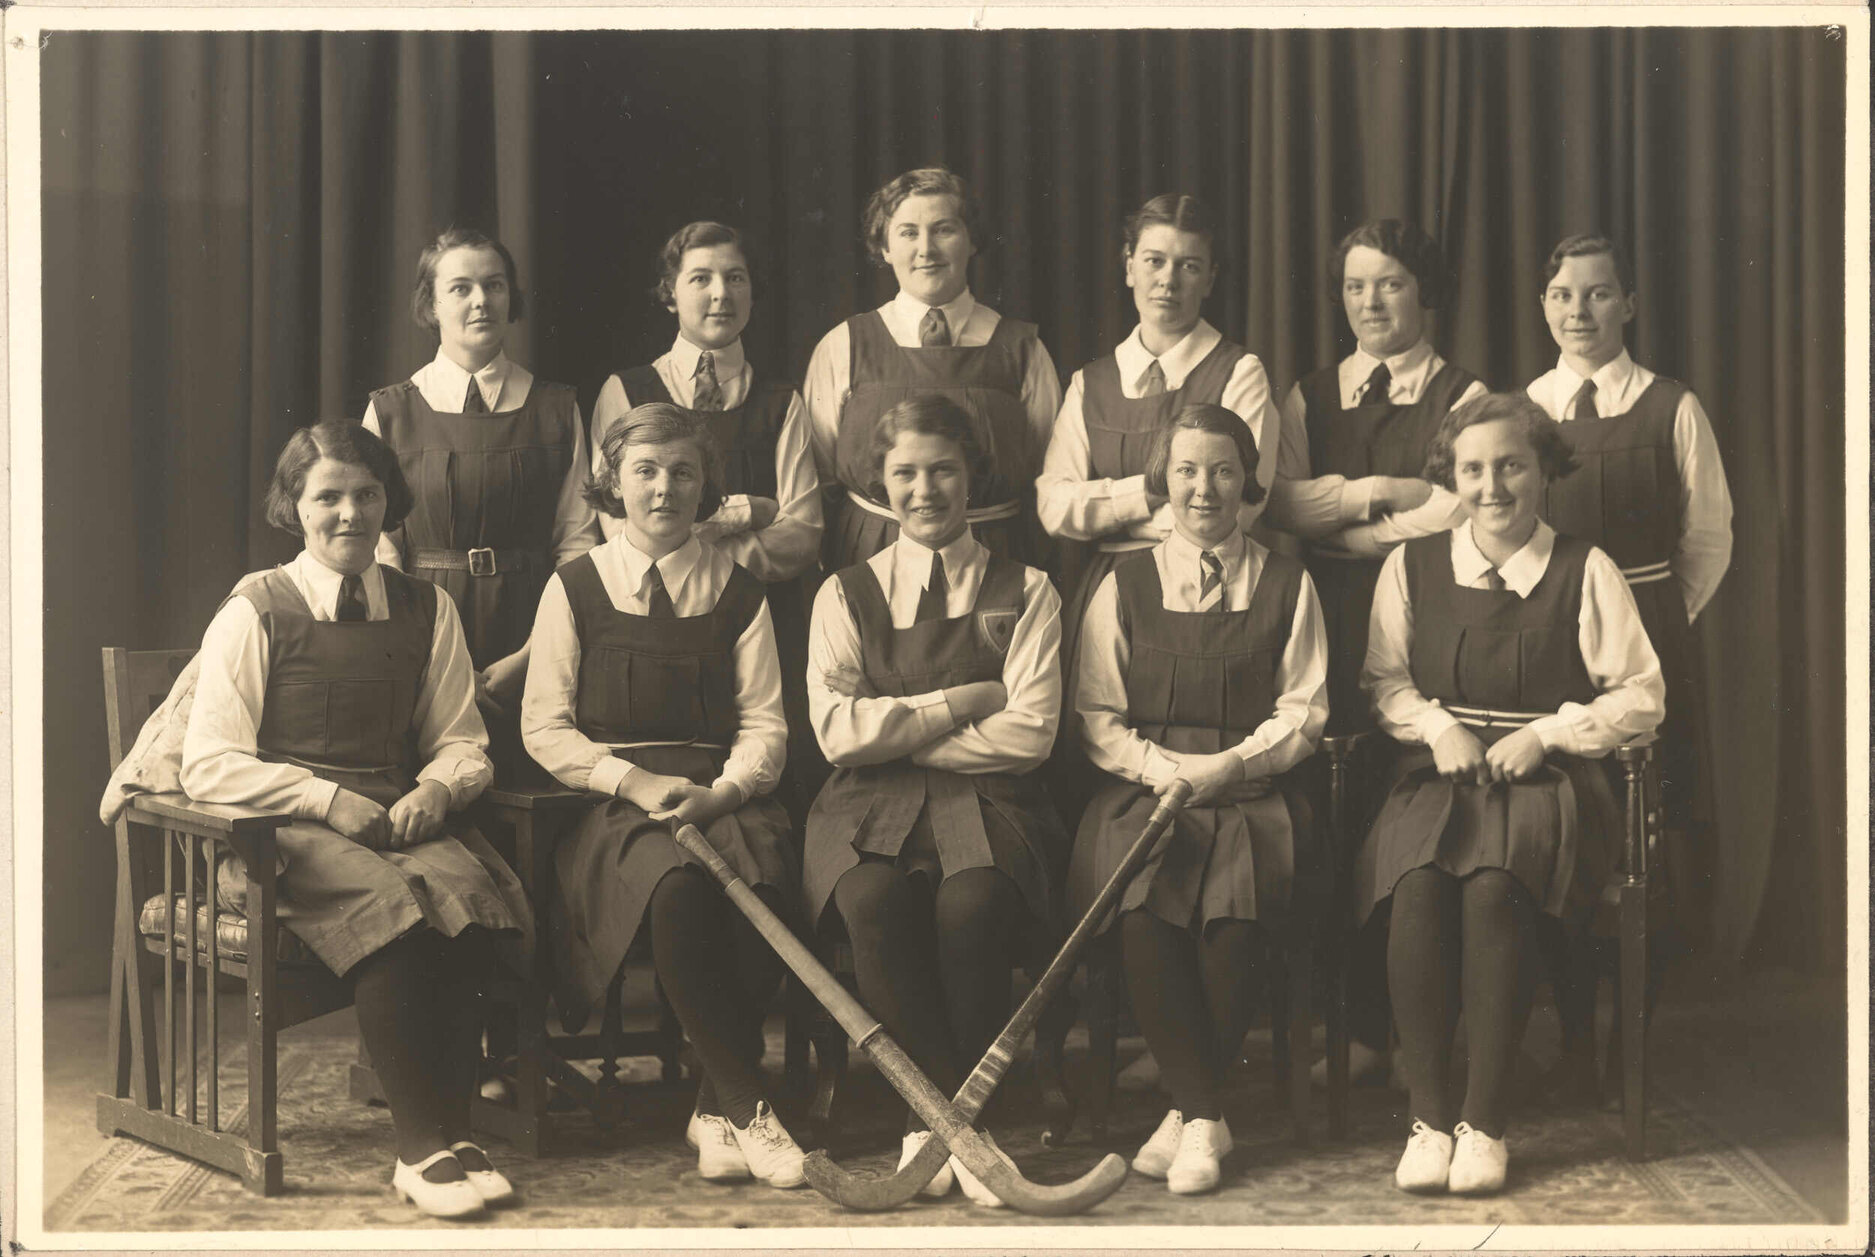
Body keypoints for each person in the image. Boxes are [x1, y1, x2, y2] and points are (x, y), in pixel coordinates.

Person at [181, 420, 531, 1220]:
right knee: (397, 914)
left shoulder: (425, 606)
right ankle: (418, 1147)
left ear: (389, 504)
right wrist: (320, 797)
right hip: (277, 832)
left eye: (366, 494)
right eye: (327, 496)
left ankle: (455, 1126)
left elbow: (461, 740)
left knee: (470, 901)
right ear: (292, 506)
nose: (349, 513)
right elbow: (208, 762)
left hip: (393, 818)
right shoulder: (256, 609)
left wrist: (437, 790)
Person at [1354, 392, 1664, 1196]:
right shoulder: (1412, 564)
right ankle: (1428, 1119)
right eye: (1472, 469)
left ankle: (1484, 1122)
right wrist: (1434, 726)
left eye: (1510, 466)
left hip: (1550, 784)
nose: (1491, 486)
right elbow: (1384, 680)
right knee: (1417, 886)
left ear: (1543, 470)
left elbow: (1641, 694)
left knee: (1494, 889)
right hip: (1441, 774)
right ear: (1449, 478)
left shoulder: (1583, 567)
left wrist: (1548, 734)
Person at [521, 404, 806, 1189]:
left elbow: (766, 725)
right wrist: (634, 782)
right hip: (615, 807)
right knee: (679, 887)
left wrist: (723, 792)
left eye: (683, 471)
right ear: (612, 480)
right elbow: (544, 729)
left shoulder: (739, 589)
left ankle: (712, 1107)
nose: (664, 488)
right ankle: (750, 1106)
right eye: (645, 470)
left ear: (706, 484)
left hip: (722, 797)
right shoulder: (575, 585)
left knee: (768, 892)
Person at [803, 395, 1067, 1207]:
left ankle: (953, 1117)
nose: (925, 489)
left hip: (992, 800)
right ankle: (942, 1119)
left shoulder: (1030, 589)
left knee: (973, 901)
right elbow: (838, 737)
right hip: (863, 806)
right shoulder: (843, 593)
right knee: (873, 897)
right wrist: (962, 702)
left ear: (971, 476)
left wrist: (901, 729)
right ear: (880, 485)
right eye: (906, 473)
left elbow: (1030, 735)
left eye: (942, 469)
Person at [1070, 404, 1328, 1195]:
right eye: (1186, 470)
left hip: (1249, 794)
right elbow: (1097, 714)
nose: (1203, 488)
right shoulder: (1122, 582)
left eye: (1221, 469)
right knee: (1145, 909)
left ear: (1247, 482)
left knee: (1231, 920)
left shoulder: (1287, 580)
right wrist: (1166, 770)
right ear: (1163, 481)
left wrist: (1228, 765)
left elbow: (1303, 710)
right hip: (1146, 794)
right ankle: (1203, 1113)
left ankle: (1189, 1116)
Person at [1262, 220, 1488, 1090]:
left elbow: (1458, 509)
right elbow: (1282, 502)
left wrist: (1356, 525)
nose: (1371, 302)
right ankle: (1354, 1028)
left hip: (1427, 617)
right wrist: (1387, 491)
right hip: (1325, 615)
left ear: (1422, 293)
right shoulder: (1309, 394)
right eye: (1356, 286)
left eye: (1389, 283)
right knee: (1338, 816)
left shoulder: (1463, 393)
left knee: (1418, 820)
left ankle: (1423, 1027)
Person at [1525, 232, 1732, 933]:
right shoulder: (1524, 409)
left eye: (1597, 292)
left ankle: (1640, 994)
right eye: (1561, 294)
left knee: (1644, 815)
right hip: (1551, 629)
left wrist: (1658, 614)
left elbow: (1706, 539)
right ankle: (1570, 1002)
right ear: (1542, 305)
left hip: (1648, 620)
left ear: (1629, 304)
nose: (1577, 310)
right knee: (1566, 805)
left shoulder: (1671, 406)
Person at [589, 220, 826, 811]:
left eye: (735, 278)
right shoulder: (629, 389)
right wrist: (748, 514)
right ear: (671, 292)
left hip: (763, 617)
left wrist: (705, 542)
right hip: (661, 616)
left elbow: (801, 535)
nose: (720, 293)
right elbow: (616, 527)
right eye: (701, 278)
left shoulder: (781, 401)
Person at [1036, 193, 1284, 736]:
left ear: (1210, 279)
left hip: (1208, 586)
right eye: (1154, 261)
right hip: (1110, 590)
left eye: (1188, 265)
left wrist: (1106, 507)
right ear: (1129, 267)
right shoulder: (1090, 382)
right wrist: (1156, 492)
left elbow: (1238, 508)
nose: (1168, 280)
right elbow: (1055, 508)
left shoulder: (1239, 372)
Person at [364, 227, 601, 779]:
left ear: (511, 298)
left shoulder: (556, 407)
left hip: (533, 624)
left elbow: (577, 540)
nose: (480, 301)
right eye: (461, 287)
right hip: (423, 621)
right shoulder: (392, 412)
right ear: (431, 303)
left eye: (494, 285)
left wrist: (535, 652)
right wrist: (431, 650)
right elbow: (381, 549)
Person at [803, 166, 1062, 572]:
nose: (926, 249)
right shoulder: (844, 345)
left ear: (971, 240)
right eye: (908, 232)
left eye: (944, 230)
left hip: (995, 556)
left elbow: (1048, 468)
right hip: (872, 554)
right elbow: (820, 472)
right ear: (884, 248)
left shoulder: (1023, 349)